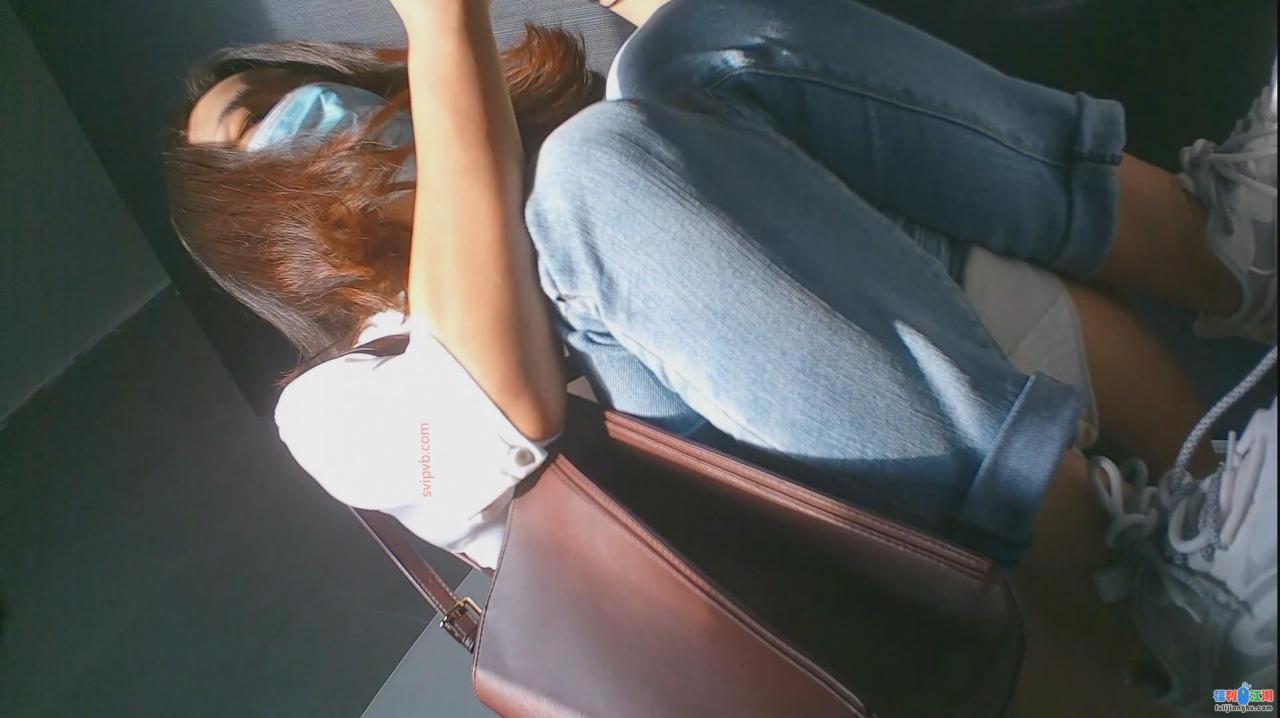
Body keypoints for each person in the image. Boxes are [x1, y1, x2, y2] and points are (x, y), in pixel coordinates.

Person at [165, 0, 1278, 713]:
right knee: (597, 171)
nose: (299, 113)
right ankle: (1158, 608)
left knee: (674, 55)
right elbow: (504, 397)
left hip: (1046, 386)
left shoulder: (600, 171)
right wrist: (443, 26)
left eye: (287, 88)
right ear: (250, 238)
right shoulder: (332, 406)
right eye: (253, 126)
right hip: (944, 596)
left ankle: (1227, 252)